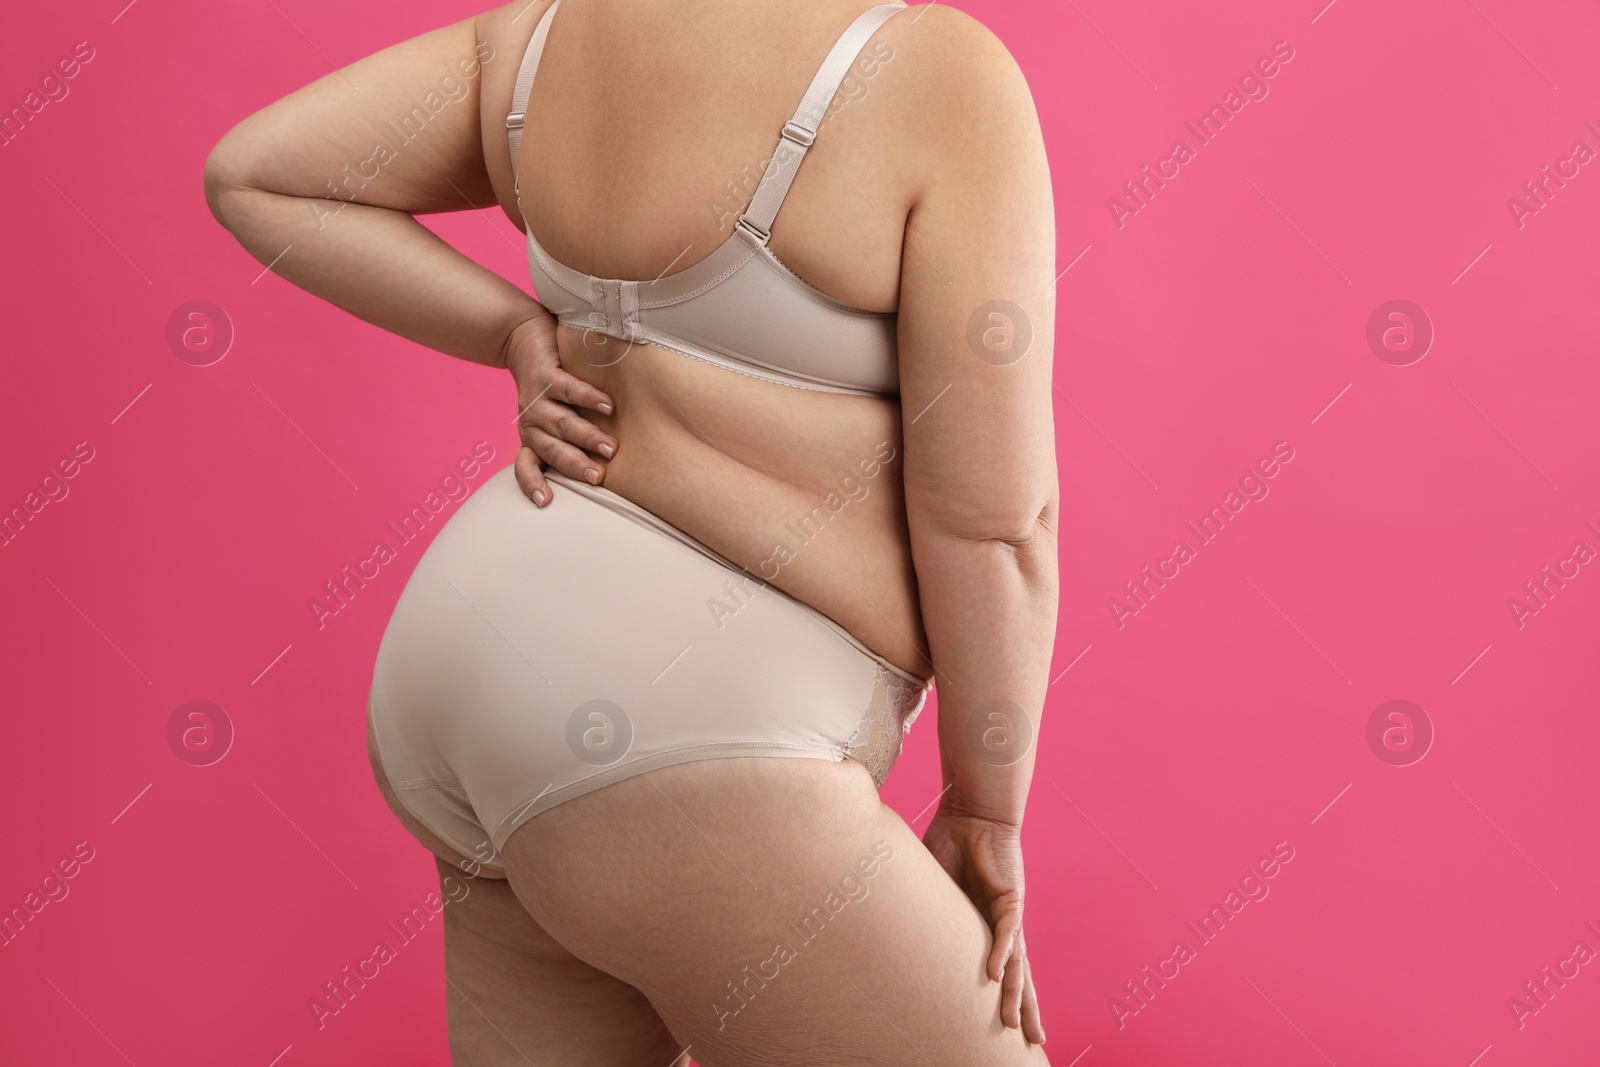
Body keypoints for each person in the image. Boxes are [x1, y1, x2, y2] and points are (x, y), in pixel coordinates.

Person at [205, 0, 1058, 1061]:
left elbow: (252, 171)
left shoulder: (544, 37)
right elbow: (995, 522)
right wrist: (986, 807)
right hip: (686, 729)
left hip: (467, 677)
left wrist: (519, 332)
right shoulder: (938, 74)